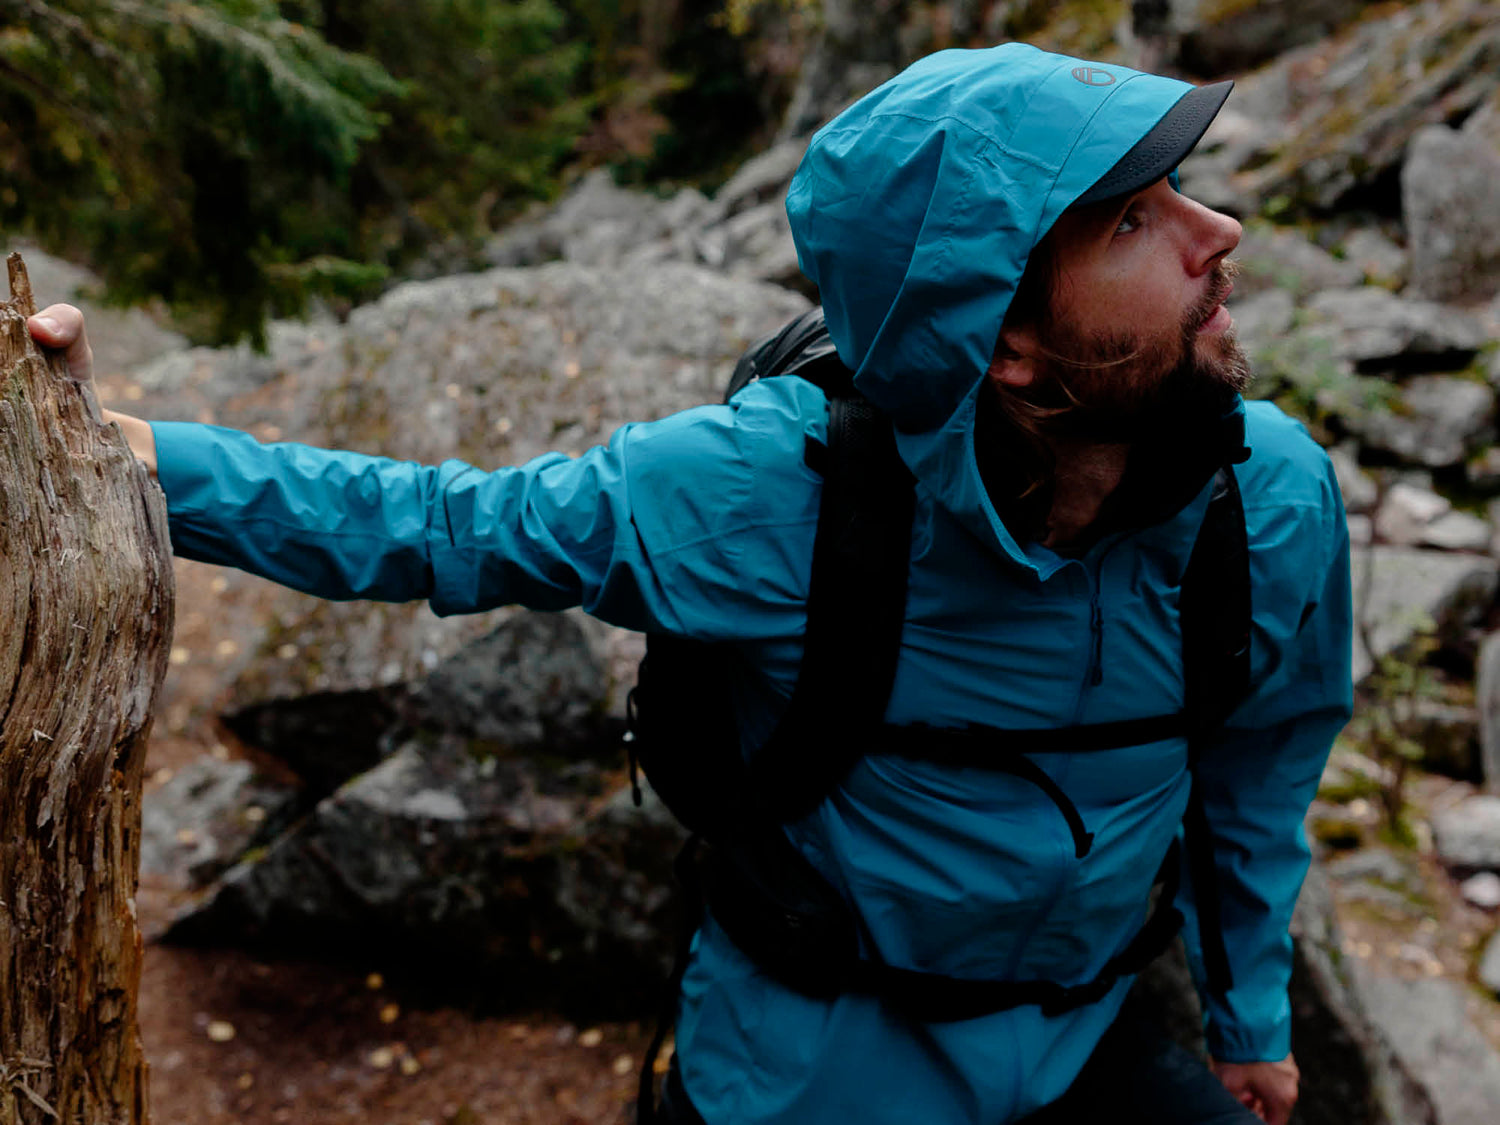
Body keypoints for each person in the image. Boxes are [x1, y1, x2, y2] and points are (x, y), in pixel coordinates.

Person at [31, 42, 1351, 1125]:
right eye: (1135, 217)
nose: (1218, 229)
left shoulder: (1267, 498)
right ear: (1006, 343)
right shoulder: (777, 495)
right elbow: (437, 524)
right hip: (812, 1063)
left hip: (1084, 1044)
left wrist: (1249, 1017)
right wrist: (108, 452)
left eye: (1183, 190)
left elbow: (1262, 757)